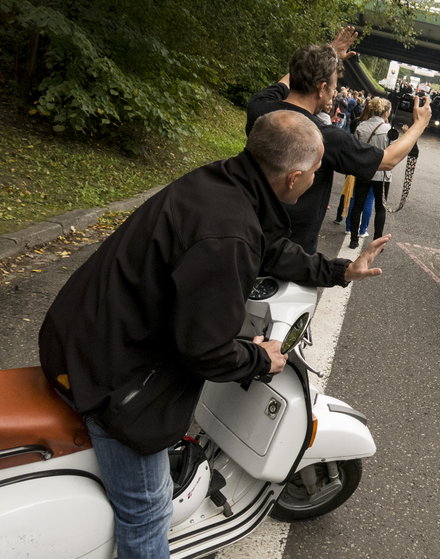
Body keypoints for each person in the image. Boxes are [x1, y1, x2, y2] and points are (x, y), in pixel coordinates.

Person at [38, 111, 389, 558]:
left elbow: (270, 247)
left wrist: (340, 270)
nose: (318, 179)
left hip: (85, 332)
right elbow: (206, 352)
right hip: (108, 375)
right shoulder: (229, 234)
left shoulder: (227, 183)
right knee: (147, 509)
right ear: (294, 177)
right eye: (318, 173)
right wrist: (263, 359)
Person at [246, 26, 431, 253]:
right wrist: (419, 124)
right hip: (293, 255)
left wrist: (327, 55)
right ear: (322, 88)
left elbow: (286, 81)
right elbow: (388, 159)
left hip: (246, 236)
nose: (335, 92)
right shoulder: (324, 138)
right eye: (335, 86)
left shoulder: (260, 108)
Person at [348, 97, 395, 249]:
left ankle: (353, 239)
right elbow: (393, 152)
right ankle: (377, 242)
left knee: (358, 205)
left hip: (363, 172)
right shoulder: (389, 130)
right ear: (386, 112)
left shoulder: (361, 126)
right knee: (380, 208)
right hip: (382, 174)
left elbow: (354, 149)